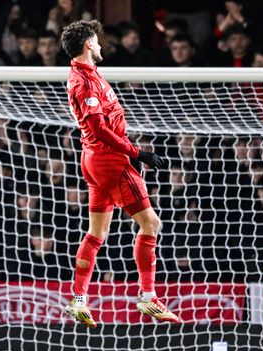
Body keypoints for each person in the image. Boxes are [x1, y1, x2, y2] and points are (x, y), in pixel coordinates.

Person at [60, 20, 178, 328]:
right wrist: (137, 153)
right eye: (96, 41)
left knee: (96, 233)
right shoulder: (84, 82)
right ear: (88, 44)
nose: (100, 45)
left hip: (93, 160)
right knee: (151, 222)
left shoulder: (85, 74)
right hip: (108, 160)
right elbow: (99, 128)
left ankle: (79, 299)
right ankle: (149, 296)